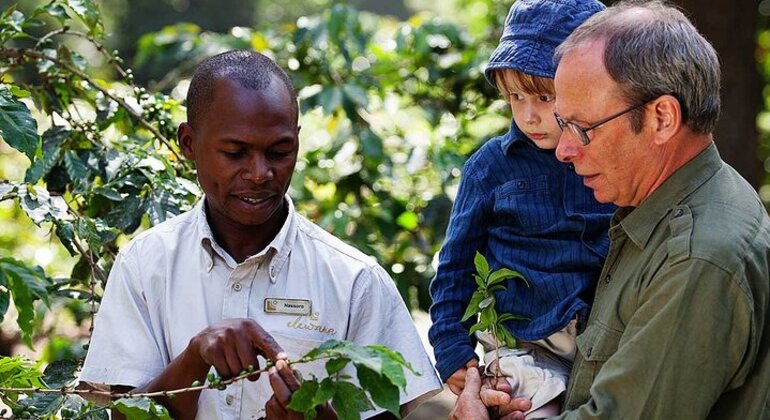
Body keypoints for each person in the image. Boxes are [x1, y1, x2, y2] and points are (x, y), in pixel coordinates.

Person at [79, 50, 442, 419]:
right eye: (235, 153)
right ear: (189, 144)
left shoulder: (356, 281)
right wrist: (193, 358)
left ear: (297, 142)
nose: (259, 173)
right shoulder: (144, 265)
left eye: (279, 151)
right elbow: (122, 415)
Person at [455, 1, 770, 418]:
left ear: (661, 118)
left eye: (582, 129)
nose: (564, 151)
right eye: (562, 124)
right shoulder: (655, 208)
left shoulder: (699, 256)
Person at [428, 0, 614, 417]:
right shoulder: (492, 166)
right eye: (515, 97)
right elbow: (454, 267)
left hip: (601, 346)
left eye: (546, 97)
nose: (529, 115)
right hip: (522, 348)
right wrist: (453, 349)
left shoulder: (610, 158)